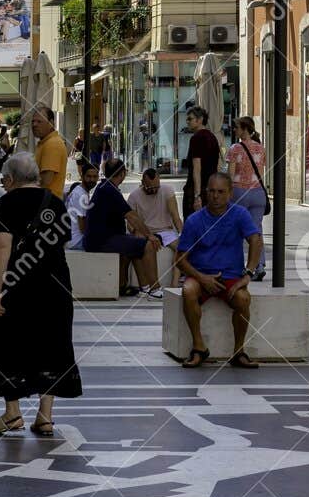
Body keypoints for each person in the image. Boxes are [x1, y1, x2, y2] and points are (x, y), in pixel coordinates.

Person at [0, 152, 80, 438]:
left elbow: (1, 248)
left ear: (9, 179)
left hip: (19, 287)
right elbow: (62, 242)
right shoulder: (56, 203)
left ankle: (12, 414)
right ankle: (45, 417)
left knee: (7, 344)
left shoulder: (6, 202)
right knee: (53, 344)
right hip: (57, 286)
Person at [175, 173, 264, 370]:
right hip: (201, 274)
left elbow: (255, 240)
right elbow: (180, 259)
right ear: (206, 192)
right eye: (212, 191)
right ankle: (199, 347)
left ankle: (238, 352)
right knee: (188, 290)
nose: (216, 196)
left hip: (231, 276)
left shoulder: (239, 214)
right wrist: (201, 278)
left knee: (243, 299)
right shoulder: (194, 220)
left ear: (230, 193)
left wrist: (248, 274)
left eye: (221, 192)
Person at [82, 158, 156, 296]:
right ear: (122, 174)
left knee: (136, 244)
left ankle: (144, 288)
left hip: (100, 239)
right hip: (101, 241)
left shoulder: (105, 187)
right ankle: (155, 288)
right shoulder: (110, 191)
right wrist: (149, 235)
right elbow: (131, 216)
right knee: (147, 245)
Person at [128, 167, 183, 298]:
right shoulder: (134, 196)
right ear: (142, 183)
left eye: (156, 187)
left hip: (166, 230)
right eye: (150, 188)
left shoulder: (167, 190)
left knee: (182, 247)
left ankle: (174, 284)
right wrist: (141, 233)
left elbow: (175, 216)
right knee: (140, 245)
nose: (153, 190)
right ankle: (148, 286)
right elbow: (130, 224)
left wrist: (182, 233)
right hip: (146, 231)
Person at [226, 116, 269, 277]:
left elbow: (230, 175)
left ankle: (236, 265)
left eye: (236, 127)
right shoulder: (260, 147)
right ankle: (260, 266)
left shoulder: (235, 148)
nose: (234, 130)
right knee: (257, 230)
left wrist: (227, 193)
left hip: (239, 192)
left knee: (236, 229)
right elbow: (261, 171)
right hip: (258, 193)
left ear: (244, 129)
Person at [183, 105, 222, 217]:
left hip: (198, 189)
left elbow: (197, 168)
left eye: (190, 119)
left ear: (200, 120)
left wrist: (197, 195)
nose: (187, 122)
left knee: (193, 224)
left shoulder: (196, 138)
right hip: (211, 188)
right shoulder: (213, 137)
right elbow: (217, 164)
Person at [32, 105, 67, 199]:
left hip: (47, 204)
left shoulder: (52, 144)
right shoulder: (46, 142)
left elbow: (46, 180)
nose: (34, 125)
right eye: (33, 121)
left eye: (39, 121)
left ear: (51, 123)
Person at [64, 162, 99, 249]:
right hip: (76, 242)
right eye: (89, 176)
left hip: (70, 239)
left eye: (95, 177)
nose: (92, 180)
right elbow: (83, 228)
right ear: (82, 176)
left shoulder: (78, 190)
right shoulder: (81, 195)